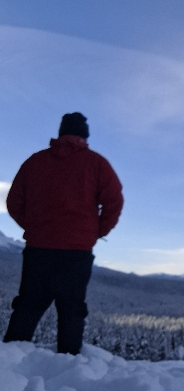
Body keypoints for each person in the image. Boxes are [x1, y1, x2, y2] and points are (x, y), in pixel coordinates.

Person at [3, 112, 123, 354]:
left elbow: (14, 202)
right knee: (71, 311)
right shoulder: (96, 164)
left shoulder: (35, 162)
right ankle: (69, 365)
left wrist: (33, 228)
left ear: (61, 133)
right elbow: (114, 202)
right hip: (76, 252)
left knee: (27, 307)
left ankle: (7, 364)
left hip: (38, 249)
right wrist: (94, 232)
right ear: (85, 136)